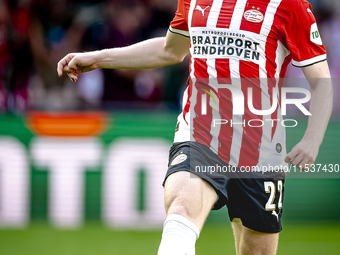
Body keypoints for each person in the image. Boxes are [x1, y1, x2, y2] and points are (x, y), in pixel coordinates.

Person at [57, 0, 333, 254]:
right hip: (201, 132)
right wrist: (98, 58)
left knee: (257, 250)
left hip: (261, 148)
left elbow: (321, 80)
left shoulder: (289, 5)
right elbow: (170, 50)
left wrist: (312, 139)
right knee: (182, 212)